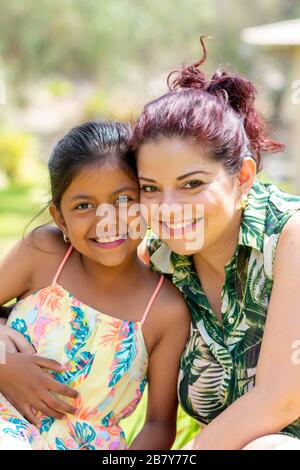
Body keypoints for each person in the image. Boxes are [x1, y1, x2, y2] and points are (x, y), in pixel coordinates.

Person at [133, 37, 300, 450]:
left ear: (243, 177)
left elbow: (279, 401)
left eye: (192, 184)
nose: (168, 209)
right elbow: (54, 295)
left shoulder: (290, 238)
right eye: (151, 188)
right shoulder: (159, 259)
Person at [0, 121, 190, 450]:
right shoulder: (44, 253)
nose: (107, 219)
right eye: (84, 206)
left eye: (123, 199)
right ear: (60, 219)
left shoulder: (165, 311)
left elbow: (159, 423)